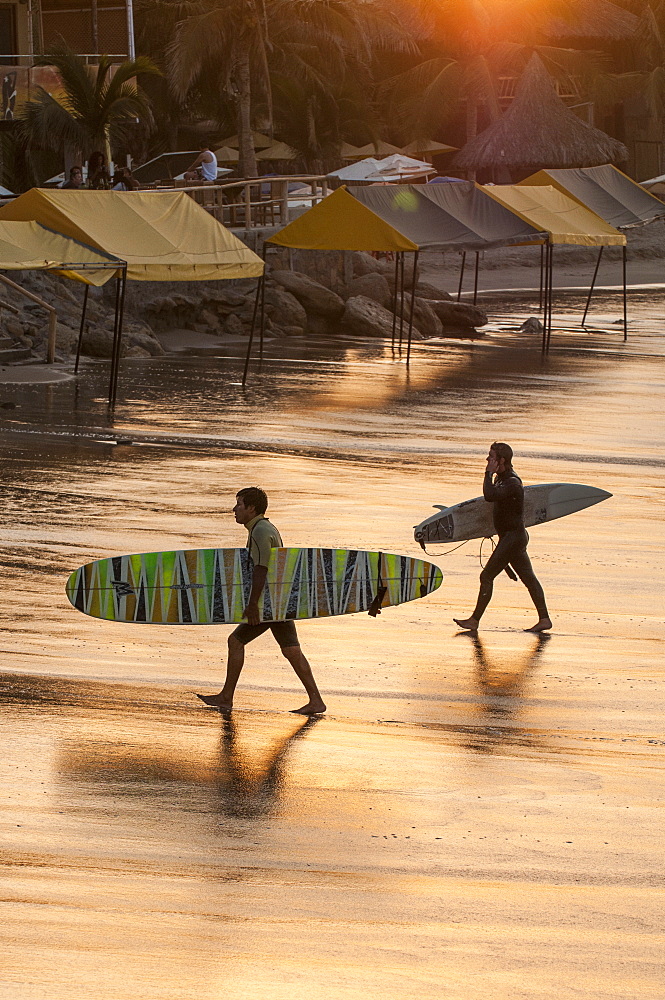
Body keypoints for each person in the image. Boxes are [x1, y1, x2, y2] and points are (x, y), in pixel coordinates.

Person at [197, 487, 326, 714]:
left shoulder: (259, 531)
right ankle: (316, 701)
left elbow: (261, 568)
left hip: (269, 604)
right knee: (291, 650)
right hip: (279, 601)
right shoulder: (263, 527)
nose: (234, 509)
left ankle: (226, 697)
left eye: (239, 504)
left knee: (236, 641)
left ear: (251, 508)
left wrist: (253, 605)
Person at [454, 443, 552, 633]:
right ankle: (544, 619)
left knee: (487, 576)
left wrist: (487, 473)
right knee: (529, 579)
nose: (487, 460)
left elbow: (490, 496)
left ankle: (474, 620)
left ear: (502, 461)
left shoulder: (512, 483)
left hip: (513, 538)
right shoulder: (503, 479)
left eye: (491, 457)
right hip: (512, 537)